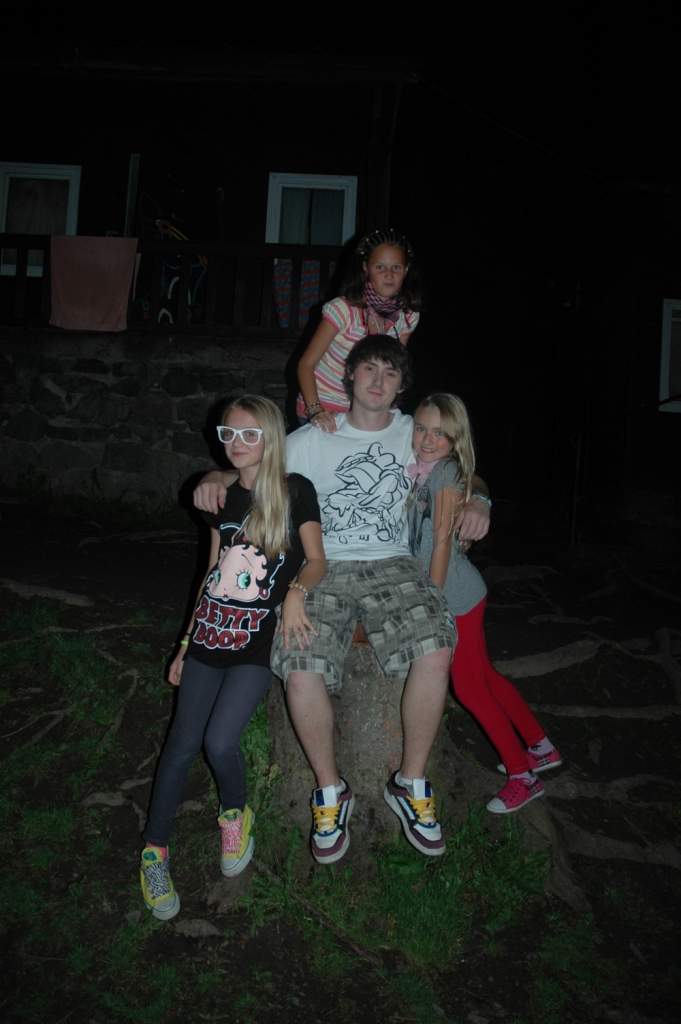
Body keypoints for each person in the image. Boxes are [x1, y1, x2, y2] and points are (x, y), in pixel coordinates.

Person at [194, 339, 491, 865]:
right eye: (368, 369)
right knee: (298, 663)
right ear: (349, 375)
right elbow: (253, 463)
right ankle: (331, 791)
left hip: (393, 564)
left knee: (436, 643)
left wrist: (481, 498)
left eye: (390, 373)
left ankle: (410, 782)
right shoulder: (313, 437)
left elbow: (460, 463)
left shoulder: (413, 431)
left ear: (402, 386)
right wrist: (214, 477)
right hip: (323, 565)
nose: (378, 381)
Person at [140, 396, 326, 920]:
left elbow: (316, 560)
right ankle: (154, 852)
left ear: (270, 437)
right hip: (208, 636)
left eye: (249, 434)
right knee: (181, 744)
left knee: (220, 741)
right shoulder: (220, 497)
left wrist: (296, 593)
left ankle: (234, 816)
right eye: (228, 434)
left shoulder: (295, 491)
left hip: (255, 645)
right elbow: (210, 573)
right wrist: (184, 643)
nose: (236, 444)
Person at [407, 393, 562, 814]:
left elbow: (441, 543)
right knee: (486, 676)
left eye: (440, 433)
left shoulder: (445, 472)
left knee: (470, 689)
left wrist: (431, 604)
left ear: (456, 439)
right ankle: (540, 746)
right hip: (462, 592)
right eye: (421, 428)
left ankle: (522, 776)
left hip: (453, 598)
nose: (427, 439)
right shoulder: (421, 470)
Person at [296, 228, 421, 433]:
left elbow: (397, 367)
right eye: (380, 267)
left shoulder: (408, 316)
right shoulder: (343, 310)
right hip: (324, 407)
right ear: (365, 268)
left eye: (396, 267)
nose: (389, 275)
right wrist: (315, 410)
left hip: (365, 412)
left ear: (406, 270)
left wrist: (389, 403)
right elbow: (305, 365)